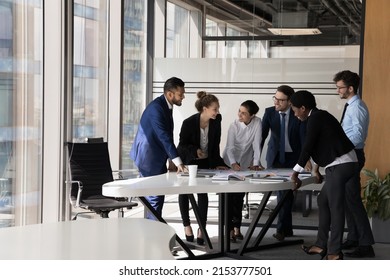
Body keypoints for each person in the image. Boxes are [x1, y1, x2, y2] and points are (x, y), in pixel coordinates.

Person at [290, 90, 359, 260]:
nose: (294, 114)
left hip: (341, 164)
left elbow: (308, 146)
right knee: (323, 200)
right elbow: (321, 144)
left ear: (304, 108)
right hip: (341, 163)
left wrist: (295, 174)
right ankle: (321, 245)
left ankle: (334, 252)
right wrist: (315, 169)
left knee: (336, 207)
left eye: (294, 109)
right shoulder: (318, 117)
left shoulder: (316, 118)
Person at [130, 77, 186, 219]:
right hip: (148, 158)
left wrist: (171, 160)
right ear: (170, 94)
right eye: (181, 94)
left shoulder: (166, 106)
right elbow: (163, 136)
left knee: (157, 197)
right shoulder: (156, 108)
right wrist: (178, 161)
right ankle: (152, 234)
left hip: (157, 156)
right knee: (154, 198)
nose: (183, 97)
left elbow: (168, 134)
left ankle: (153, 230)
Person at [177, 91, 228, 245]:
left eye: (218, 109)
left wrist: (218, 162)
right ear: (205, 108)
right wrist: (194, 151)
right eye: (215, 109)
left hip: (206, 162)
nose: (217, 112)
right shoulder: (188, 123)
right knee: (185, 194)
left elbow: (215, 145)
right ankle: (187, 226)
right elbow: (182, 145)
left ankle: (201, 228)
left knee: (202, 194)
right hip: (190, 162)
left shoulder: (217, 120)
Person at [333, 70, 375, 258]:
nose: (338, 91)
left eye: (340, 88)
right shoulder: (351, 105)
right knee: (348, 199)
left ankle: (366, 246)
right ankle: (354, 237)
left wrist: (340, 148)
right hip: (348, 155)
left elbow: (357, 136)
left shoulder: (357, 107)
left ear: (350, 88)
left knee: (353, 201)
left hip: (352, 155)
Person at [260, 85, 307, 241]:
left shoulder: (297, 114)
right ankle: (285, 229)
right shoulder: (269, 112)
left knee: (286, 192)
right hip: (274, 157)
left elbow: (303, 138)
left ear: (289, 101)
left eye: (281, 100)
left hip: (293, 158)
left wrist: (305, 159)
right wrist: (255, 159)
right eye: (275, 98)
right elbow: (261, 137)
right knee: (282, 193)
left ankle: (283, 229)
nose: (277, 102)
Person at [223, 100, 263, 242]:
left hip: (245, 164)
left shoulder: (257, 122)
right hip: (229, 162)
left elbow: (257, 144)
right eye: (239, 111)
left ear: (252, 115)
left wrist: (256, 163)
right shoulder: (233, 125)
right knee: (229, 198)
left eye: (244, 113)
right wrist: (233, 163)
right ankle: (228, 230)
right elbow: (230, 147)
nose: (240, 114)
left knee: (239, 197)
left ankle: (237, 229)